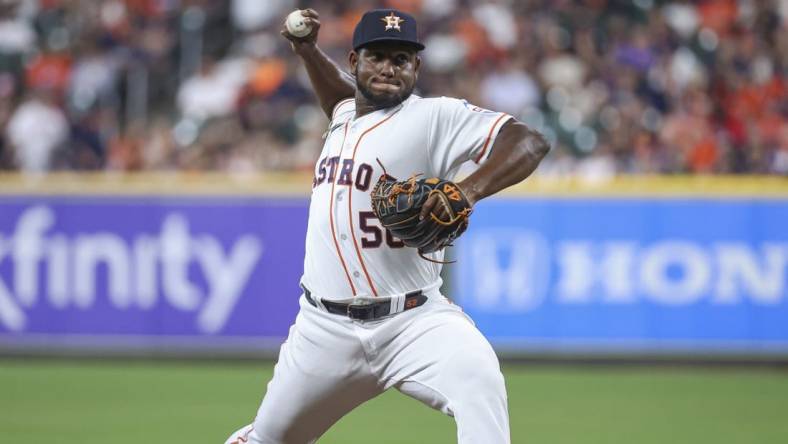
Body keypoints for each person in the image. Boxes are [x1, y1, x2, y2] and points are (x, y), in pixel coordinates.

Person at [225, 8, 550, 444]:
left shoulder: (434, 116)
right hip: (323, 331)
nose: (388, 68)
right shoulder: (344, 116)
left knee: (479, 378)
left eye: (400, 59)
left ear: (415, 67)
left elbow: (529, 141)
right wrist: (307, 51)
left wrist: (465, 192)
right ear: (355, 61)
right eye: (377, 56)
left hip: (414, 321)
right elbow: (343, 98)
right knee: (268, 438)